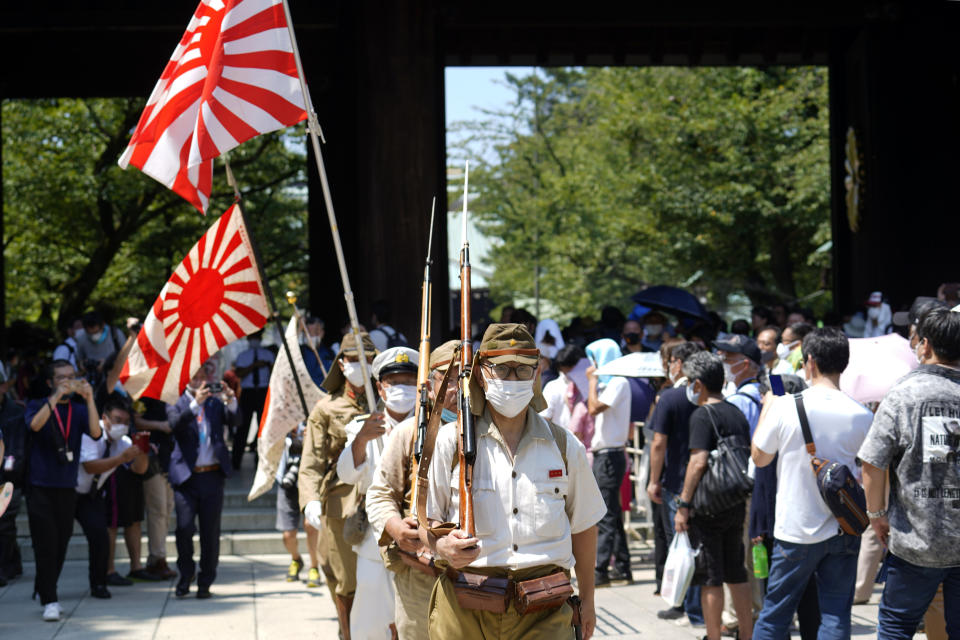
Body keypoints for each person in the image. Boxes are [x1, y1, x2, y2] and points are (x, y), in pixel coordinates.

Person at [424, 323, 605, 639]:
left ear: (537, 374)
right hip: (465, 605)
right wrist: (442, 546)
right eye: (501, 368)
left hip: (544, 608)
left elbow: (584, 527)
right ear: (481, 374)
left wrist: (588, 600)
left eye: (522, 369)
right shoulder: (450, 444)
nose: (512, 378)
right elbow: (427, 521)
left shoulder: (564, 446)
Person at [751, 328, 873, 639]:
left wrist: (769, 406)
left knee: (775, 614)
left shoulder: (785, 405)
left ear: (809, 362)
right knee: (835, 614)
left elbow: (760, 458)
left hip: (796, 527)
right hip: (845, 524)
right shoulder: (861, 415)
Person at [858, 307, 960, 639]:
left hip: (916, 537)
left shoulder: (904, 394)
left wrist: (877, 514)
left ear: (925, 345)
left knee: (896, 626)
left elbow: (872, 461)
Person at [366, 339, 458, 640]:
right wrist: (395, 527)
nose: (456, 386)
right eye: (448, 377)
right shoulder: (409, 432)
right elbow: (380, 493)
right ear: (431, 384)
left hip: (483, 575)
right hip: (422, 568)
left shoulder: (498, 432)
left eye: (465, 375)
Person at [299, 332, 378, 640]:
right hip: (342, 500)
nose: (362, 365)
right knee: (346, 580)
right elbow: (312, 461)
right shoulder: (325, 410)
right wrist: (310, 500)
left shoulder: (387, 400)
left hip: (383, 496)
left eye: (368, 360)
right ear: (342, 364)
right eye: (355, 359)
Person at [336, 345, 419, 640]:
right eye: (395, 383)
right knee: (371, 626)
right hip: (376, 542)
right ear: (380, 389)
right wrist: (361, 441)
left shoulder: (434, 427)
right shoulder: (362, 426)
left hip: (420, 542)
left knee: (416, 624)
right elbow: (346, 475)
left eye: (410, 382)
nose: (403, 389)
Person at [673, 352, 754, 640]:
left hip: (707, 506)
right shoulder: (736, 412)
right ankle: (747, 634)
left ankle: (713, 635)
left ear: (698, 384)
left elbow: (698, 462)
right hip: (734, 501)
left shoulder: (702, 415)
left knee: (710, 577)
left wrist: (683, 505)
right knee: (737, 572)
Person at [24, 359, 102, 621]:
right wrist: (56, 397)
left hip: (67, 486)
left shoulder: (79, 410)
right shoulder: (38, 405)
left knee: (61, 542)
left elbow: (94, 432)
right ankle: (50, 600)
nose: (68, 381)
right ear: (50, 382)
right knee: (45, 544)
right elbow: (34, 425)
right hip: (40, 486)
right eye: (61, 378)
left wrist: (90, 399)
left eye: (71, 376)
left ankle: (44, 586)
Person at [167, 360, 238, 599]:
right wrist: (195, 405)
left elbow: (235, 420)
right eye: (194, 377)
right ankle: (186, 574)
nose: (199, 381)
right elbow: (174, 425)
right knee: (184, 529)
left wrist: (230, 398)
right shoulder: (177, 401)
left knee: (210, 532)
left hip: (212, 474)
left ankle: (206, 579)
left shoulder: (215, 402)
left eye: (202, 376)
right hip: (186, 477)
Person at [646, 341, 705, 624]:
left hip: (674, 480)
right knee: (699, 544)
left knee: (679, 544)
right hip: (704, 480)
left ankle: (685, 604)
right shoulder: (707, 393)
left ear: (679, 363)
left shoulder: (669, 397)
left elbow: (658, 443)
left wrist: (653, 480)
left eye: (671, 361)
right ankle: (696, 604)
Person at [75, 393, 148, 598]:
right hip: (69, 493)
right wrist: (121, 459)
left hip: (92, 496)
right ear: (105, 418)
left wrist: (141, 451)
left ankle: (99, 583)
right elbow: (90, 467)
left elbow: (139, 470)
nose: (121, 425)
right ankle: (44, 588)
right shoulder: (91, 433)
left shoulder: (122, 441)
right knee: (58, 543)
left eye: (126, 422)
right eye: (117, 420)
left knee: (100, 537)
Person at [585, 338, 633, 586]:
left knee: (605, 514)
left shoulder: (618, 381)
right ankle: (623, 566)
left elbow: (593, 408)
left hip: (611, 454)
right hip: (605, 454)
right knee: (610, 512)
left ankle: (601, 569)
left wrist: (592, 380)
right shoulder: (610, 383)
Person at [276, 422, 321, 587]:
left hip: (309, 482)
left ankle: (314, 566)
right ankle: (296, 559)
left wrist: (313, 436)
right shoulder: (280, 417)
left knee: (311, 525)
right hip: (286, 482)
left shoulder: (315, 415)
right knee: (288, 534)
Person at [232, 330, 274, 470]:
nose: (255, 339)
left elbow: (275, 373)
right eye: (252, 337)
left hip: (263, 391)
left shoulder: (268, 355)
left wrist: (267, 365)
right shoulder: (243, 356)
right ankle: (236, 461)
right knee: (243, 427)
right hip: (248, 393)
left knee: (264, 428)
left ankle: (262, 460)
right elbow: (239, 374)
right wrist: (254, 366)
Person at [301, 316, 335, 387]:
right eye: (309, 333)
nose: (312, 335)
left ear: (322, 333)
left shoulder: (330, 353)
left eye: (316, 332)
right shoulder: (300, 352)